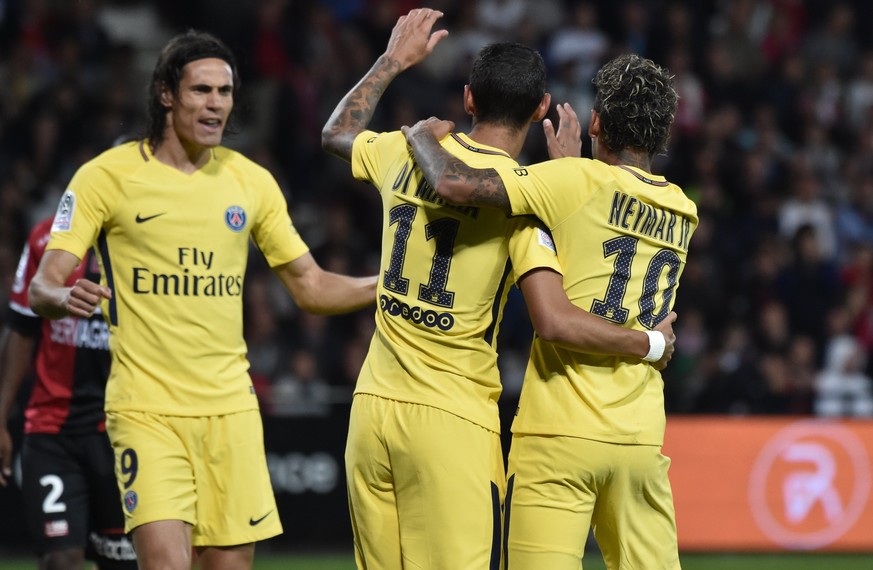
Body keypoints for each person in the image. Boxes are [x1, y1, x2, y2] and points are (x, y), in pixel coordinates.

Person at [322, 10, 676, 569]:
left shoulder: (400, 149)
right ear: (540, 110)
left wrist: (393, 62)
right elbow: (554, 307)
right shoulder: (522, 194)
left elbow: (337, 132)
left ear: (468, 99)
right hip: (452, 420)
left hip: (370, 411)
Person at [27, 30, 377, 570]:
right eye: (201, 91)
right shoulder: (105, 177)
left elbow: (310, 286)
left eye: (225, 92)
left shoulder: (251, 182)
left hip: (231, 409)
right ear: (167, 93)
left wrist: (389, 284)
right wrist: (60, 294)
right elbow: (43, 283)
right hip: (146, 409)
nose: (216, 104)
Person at [404, 53, 697, 569]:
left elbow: (452, 183)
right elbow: (601, 226)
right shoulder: (682, 210)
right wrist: (570, 169)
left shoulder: (571, 184)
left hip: (558, 437)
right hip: (638, 437)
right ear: (663, 133)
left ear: (598, 123)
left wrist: (422, 136)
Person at [0, 217, 136, 570]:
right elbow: (21, 326)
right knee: (61, 560)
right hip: (51, 429)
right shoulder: (47, 238)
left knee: (122, 561)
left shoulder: (144, 237)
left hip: (123, 429)